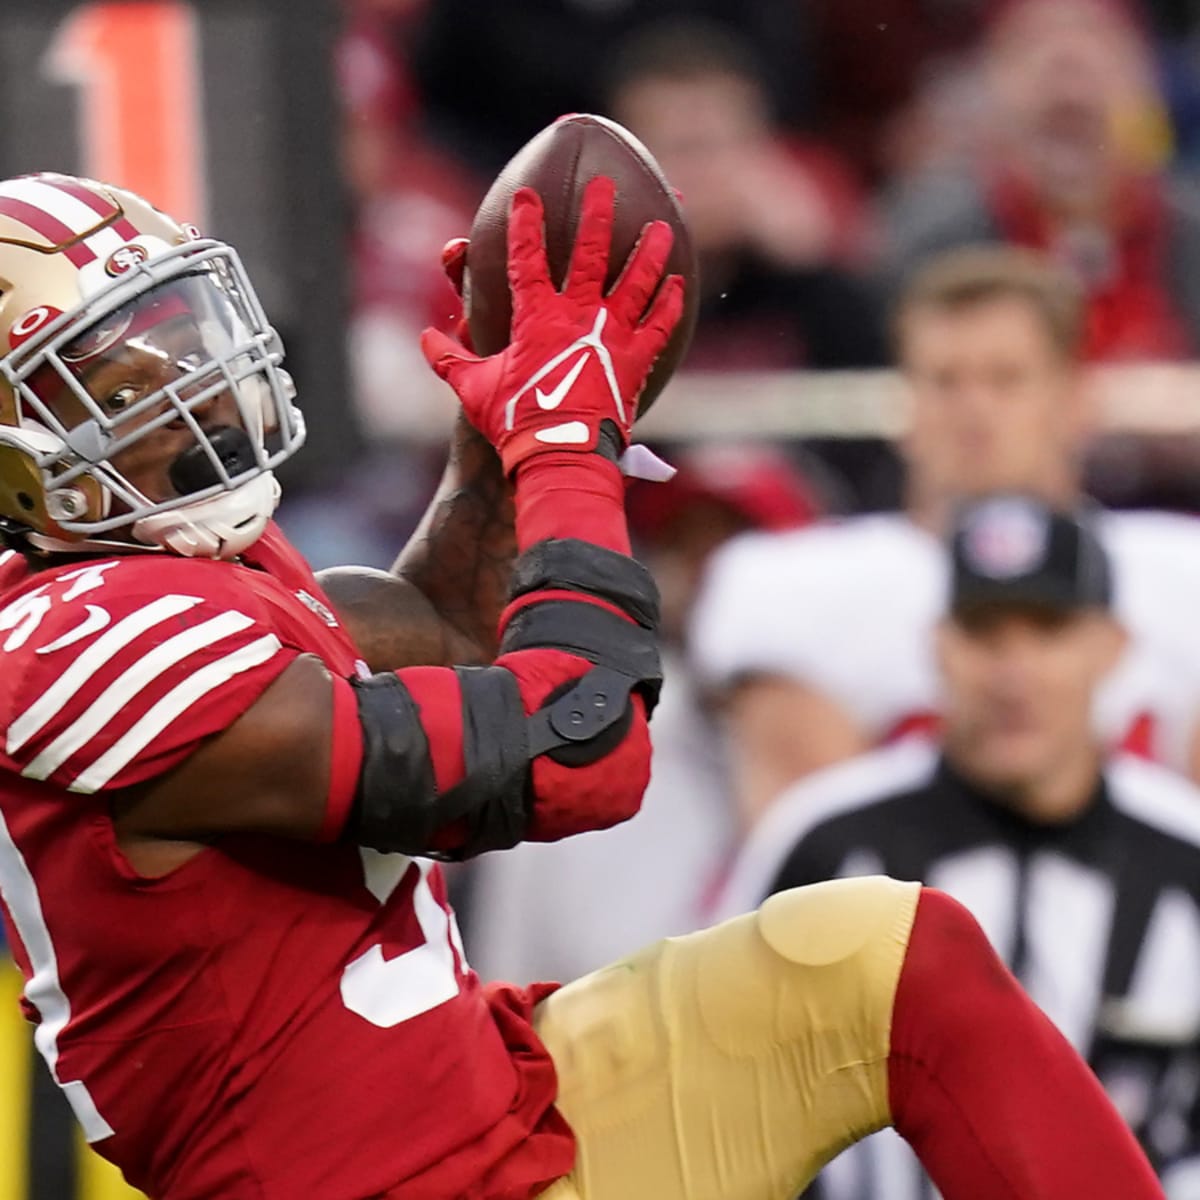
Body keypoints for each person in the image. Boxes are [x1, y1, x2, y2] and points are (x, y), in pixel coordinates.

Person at [0, 170, 1164, 1199]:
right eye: (109, 373)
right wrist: (565, 445)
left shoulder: (193, 571)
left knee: (889, 961)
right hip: (380, 1183)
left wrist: (498, 417)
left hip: (488, 1105)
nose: (196, 385)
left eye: (184, 332)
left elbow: (453, 626)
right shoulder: (70, 644)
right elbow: (575, 748)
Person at [718, 495, 1200, 1197]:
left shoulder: (1183, 857)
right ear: (938, 645)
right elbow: (726, 1081)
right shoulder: (827, 845)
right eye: (985, 633)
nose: (1014, 673)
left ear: (1111, 648)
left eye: (1047, 630)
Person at [690, 245, 1200, 834]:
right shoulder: (792, 581)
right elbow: (810, 857)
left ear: (1074, 400)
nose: (974, 410)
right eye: (944, 382)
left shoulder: (1180, 570)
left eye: (1005, 379)